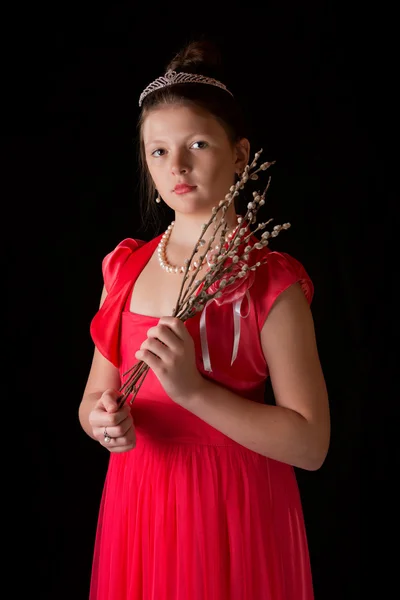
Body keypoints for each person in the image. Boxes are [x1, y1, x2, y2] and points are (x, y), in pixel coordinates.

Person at [78, 38, 330, 600]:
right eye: (158, 152)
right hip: (139, 504)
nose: (178, 167)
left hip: (234, 512)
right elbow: (94, 397)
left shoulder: (271, 282)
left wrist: (191, 392)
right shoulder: (124, 269)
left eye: (197, 144)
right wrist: (103, 423)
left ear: (240, 154)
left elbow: (312, 445)